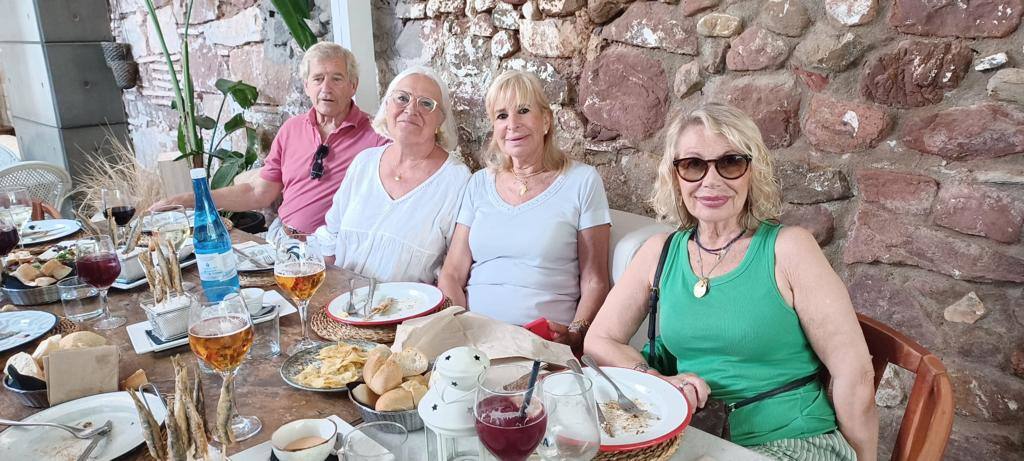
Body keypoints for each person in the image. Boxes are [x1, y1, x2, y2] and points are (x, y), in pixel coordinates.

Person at [583, 104, 877, 460]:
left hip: (790, 442)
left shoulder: (789, 249)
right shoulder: (660, 252)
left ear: (753, 172)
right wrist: (657, 381)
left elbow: (855, 375)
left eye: (730, 162)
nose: (711, 181)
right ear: (674, 175)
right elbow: (599, 340)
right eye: (693, 165)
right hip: (694, 439)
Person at [438, 70, 611, 354]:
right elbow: (453, 273)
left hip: (542, 343)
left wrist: (576, 333)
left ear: (545, 121)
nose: (512, 124)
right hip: (474, 339)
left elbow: (594, 279)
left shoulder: (582, 181)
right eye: (502, 116)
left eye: (523, 111)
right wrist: (460, 330)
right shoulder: (479, 182)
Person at [154, 42, 387, 241]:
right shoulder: (291, 129)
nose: (326, 88)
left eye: (337, 79)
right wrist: (190, 200)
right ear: (307, 86)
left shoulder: (377, 136)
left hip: (334, 252)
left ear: (352, 85)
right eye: (318, 79)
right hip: (281, 238)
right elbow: (259, 192)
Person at [313, 66, 470, 283]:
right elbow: (330, 239)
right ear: (387, 106)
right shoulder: (364, 162)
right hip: (342, 302)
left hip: (406, 309)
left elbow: (455, 267)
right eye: (402, 98)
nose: (411, 109)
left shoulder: (455, 179)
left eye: (426, 103)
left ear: (440, 121)